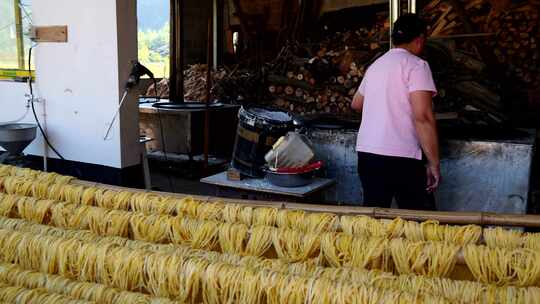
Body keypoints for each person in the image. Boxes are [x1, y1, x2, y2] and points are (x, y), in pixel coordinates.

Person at [351, 13, 440, 210]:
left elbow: (356, 103)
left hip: (368, 154)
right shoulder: (417, 66)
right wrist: (434, 163)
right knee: (416, 222)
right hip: (402, 156)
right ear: (419, 40)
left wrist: (382, 104)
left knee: (372, 219)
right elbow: (423, 117)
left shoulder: (376, 65)